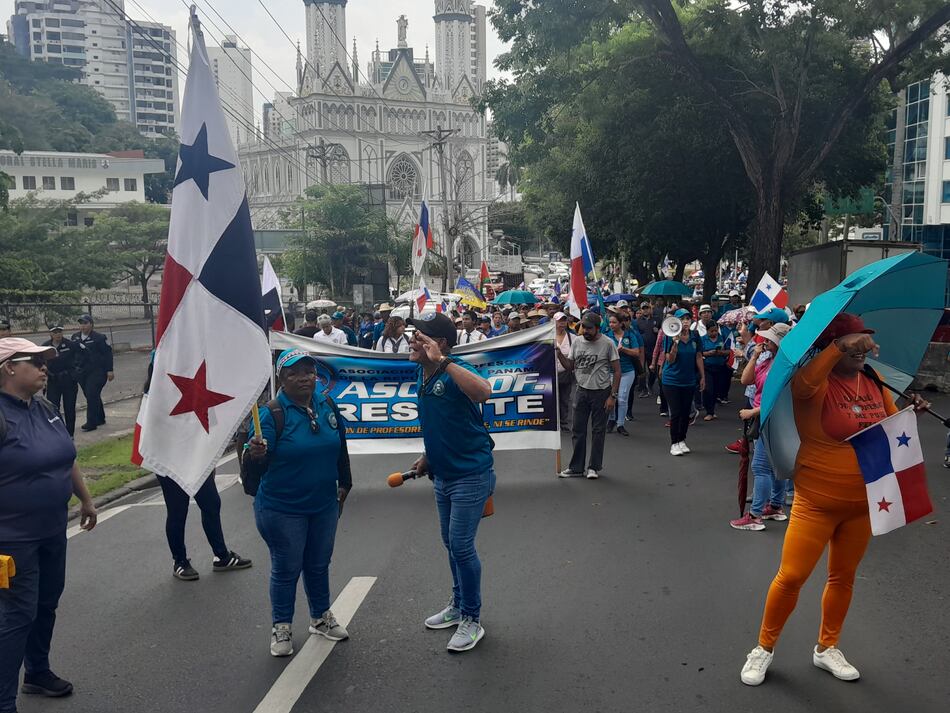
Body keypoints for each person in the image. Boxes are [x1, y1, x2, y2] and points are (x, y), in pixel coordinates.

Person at [739, 313, 929, 686]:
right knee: (792, 576)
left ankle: (827, 647)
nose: (863, 350)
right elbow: (806, 385)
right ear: (832, 346)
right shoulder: (811, 383)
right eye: (853, 343)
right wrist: (841, 345)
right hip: (815, 503)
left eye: (865, 342)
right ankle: (763, 648)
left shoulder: (874, 381)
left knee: (843, 577)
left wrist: (911, 414)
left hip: (861, 504)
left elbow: (889, 429)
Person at [0, 337, 98, 712]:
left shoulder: (44, 407)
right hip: (11, 539)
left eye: (46, 361)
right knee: (17, 615)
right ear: (9, 367)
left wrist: (85, 499)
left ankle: (37, 672)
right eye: (35, 360)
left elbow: (66, 456)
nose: (45, 367)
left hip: (52, 529)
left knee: (46, 604)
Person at [245, 349, 353, 657]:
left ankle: (320, 617)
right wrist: (256, 454)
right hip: (282, 508)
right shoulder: (271, 414)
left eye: (309, 372)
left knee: (318, 563)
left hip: (323, 505)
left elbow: (340, 447)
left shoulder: (326, 404)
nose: (304, 378)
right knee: (287, 567)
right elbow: (252, 466)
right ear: (281, 379)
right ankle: (281, 627)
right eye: (294, 373)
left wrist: (345, 483)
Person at [405, 312, 494, 653]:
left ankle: (472, 617)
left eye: (419, 336)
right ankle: (458, 606)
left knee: (461, 546)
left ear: (439, 343)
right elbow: (439, 422)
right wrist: (427, 456)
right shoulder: (421, 372)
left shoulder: (453, 368)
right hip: (442, 474)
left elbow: (483, 392)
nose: (411, 341)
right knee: (450, 543)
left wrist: (443, 361)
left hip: (471, 474)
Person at [730, 323, 792, 531]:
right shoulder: (768, 359)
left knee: (761, 467)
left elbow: (780, 398)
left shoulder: (786, 366)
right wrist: (755, 356)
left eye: (769, 339)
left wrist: (752, 412)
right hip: (765, 418)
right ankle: (775, 506)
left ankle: (755, 515)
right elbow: (746, 380)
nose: (765, 341)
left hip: (771, 420)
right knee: (774, 467)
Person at [556, 312, 621, 479]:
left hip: (601, 392)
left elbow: (617, 371)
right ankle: (576, 468)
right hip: (581, 391)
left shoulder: (608, 343)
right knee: (578, 430)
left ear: (597, 328)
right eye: (583, 327)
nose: (585, 331)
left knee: (598, 431)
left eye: (589, 328)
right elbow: (570, 366)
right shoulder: (577, 342)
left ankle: (594, 467)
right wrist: (558, 353)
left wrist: (612, 396)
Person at [662, 309, 705, 456]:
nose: (685, 321)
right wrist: (675, 344)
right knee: (676, 412)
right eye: (682, 319)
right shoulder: (669, 336)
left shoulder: (695, 336)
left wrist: (702, 376)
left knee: (686, 412)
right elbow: (670, 360)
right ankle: (674, 443)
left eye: (688, 318)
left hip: (689, 380)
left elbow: (698, 356)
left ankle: (682, 440)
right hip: (671, 380)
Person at [70, 315, 113, 432]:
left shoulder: (99, 338)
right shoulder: (75, 337)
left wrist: (109, 370)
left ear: (91, 324)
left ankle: (91, 422)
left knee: (91, 393)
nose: (83, 326)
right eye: (81, 323)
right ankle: (100, 417)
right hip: (82, 372)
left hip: (97, 371)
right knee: (91, 395)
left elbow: (108, 354)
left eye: (85, 323)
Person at [605, 313, 643, 437]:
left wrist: (623, 349)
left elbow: (636, 352)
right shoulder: (607, 336)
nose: (611, 325)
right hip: (610, 371)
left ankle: (620, 424)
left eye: (614, 322)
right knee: (611, 397)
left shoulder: (630, 335)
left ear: (621, 323)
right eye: (610, 322)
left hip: (627, 371)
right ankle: (611, 419)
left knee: (622, 398)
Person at [42, 327, 78, 438]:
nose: (58, 334)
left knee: (69, 408)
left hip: (68, 381)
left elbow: (80, 359)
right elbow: (41, 363)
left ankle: (70, 433)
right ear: (50, 334)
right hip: (53, 381)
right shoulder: (45, 346)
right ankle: (59, 432)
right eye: (55, 332)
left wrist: (75, 374)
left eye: (60, 332)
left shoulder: (70, 345)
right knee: (53, 408)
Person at [700, 321, 730, 421]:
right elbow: (699, 353)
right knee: (708, 389)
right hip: (707, 367)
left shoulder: (722, 338)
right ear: (707, 331)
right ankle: (709, 411)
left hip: (720, 367)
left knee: (716, 390)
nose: (714, 333)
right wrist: (709, 353)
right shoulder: (702, 339)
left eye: (715, 331)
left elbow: (729, 351)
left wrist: (721, 352)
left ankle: (712, 410)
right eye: (711, 331)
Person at [553, 312, 575, 432]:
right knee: (551, 399)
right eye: (559, 321)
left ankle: (563, 422)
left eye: (564, 320)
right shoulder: (548, 337)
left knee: (564, 399)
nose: (562, 323)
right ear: (554, 322)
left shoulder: (572, 338)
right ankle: (553, 422)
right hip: (550, 374)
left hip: (565, 373)